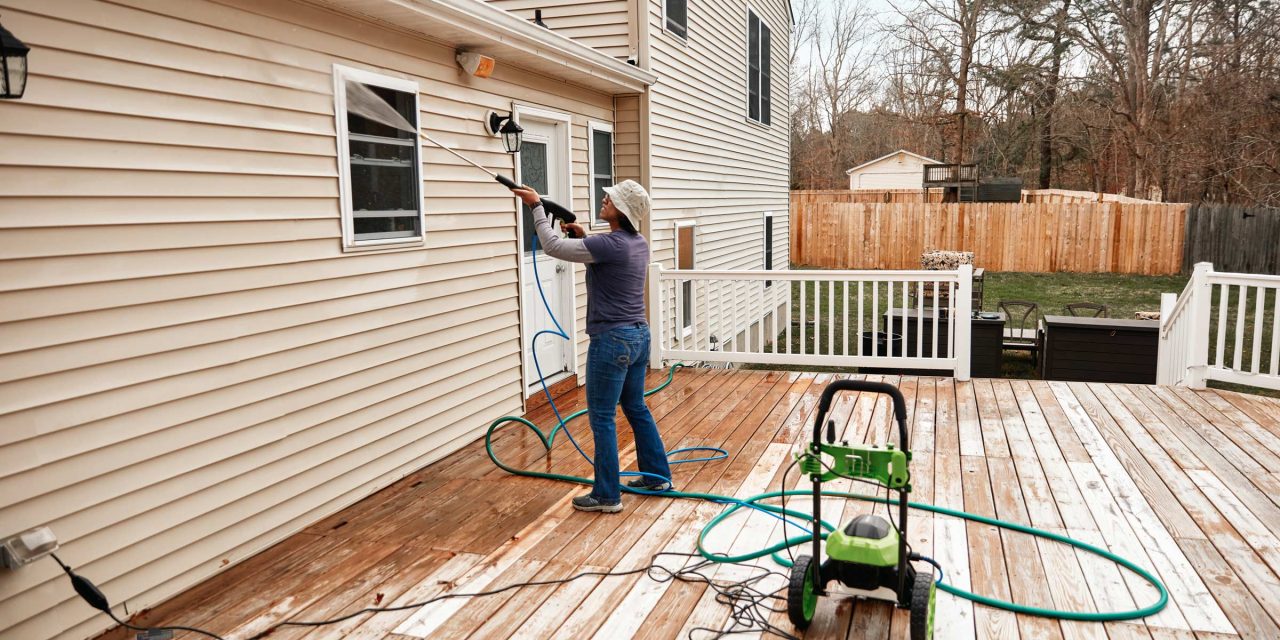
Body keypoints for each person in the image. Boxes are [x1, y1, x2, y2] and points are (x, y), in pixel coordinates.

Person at [510, 180, 672, 513]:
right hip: (639, 336)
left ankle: (607, 495)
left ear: (622, 210)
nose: (605, 198)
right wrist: (584, 237)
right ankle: (657, 476)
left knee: (601, 417)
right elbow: (605, 260)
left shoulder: (610, 244)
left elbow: (553, 247)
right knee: (636, 407)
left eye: (610, 198)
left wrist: (536, 207)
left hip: (612, 341)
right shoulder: (636, 242)